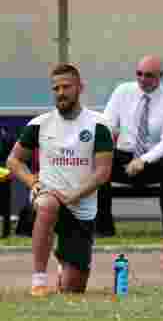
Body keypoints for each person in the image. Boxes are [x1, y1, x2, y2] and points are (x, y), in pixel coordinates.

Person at [5, 63, 113, 297]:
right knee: (48, 204)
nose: (61, 92)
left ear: (80, 88)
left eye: (66, 87)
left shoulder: (99, 125)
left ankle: (64, 262)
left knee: (73, 289)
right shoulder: (39, 124)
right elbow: (13, 161)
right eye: (56, 88)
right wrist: (33, 183)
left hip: (81, 207)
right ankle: (39, 280)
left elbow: (103, 172)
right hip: (46, 196)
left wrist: (72, 196)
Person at [96, 55, 163, 237]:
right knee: (98, 161)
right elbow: (106, 124)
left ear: (161, 76)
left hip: (152, 160)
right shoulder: (123, 91)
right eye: (139, 74)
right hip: (125, 156)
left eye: (149, 75)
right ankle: (104, 229)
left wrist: (143, 160)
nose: (143, 79)